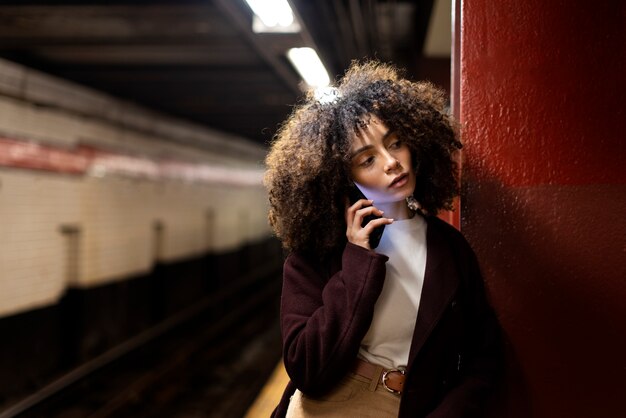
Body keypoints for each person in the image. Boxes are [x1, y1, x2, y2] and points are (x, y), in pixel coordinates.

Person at [264, 61, 502, 418]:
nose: (391, 162)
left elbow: (483, 355)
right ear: (339, 176)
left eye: (396, 143)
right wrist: (357, 259)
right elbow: (307, 368)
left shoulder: (450, 248)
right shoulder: (317, 255)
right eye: (368, 159)